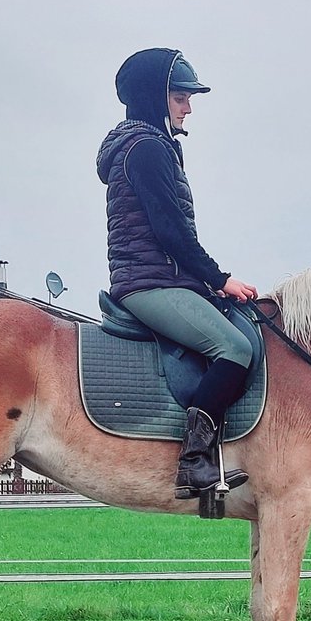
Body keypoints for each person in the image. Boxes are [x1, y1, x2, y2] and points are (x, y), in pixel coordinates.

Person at [96, 48, 260, 500]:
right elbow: (170, 232)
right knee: (234, 347)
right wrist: (220, 278)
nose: (189, 106)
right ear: (155, 97)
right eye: (181, 96)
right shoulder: (147, 149)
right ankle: (194, 460)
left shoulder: (155, 146)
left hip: (164, 278)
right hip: (148, 283)